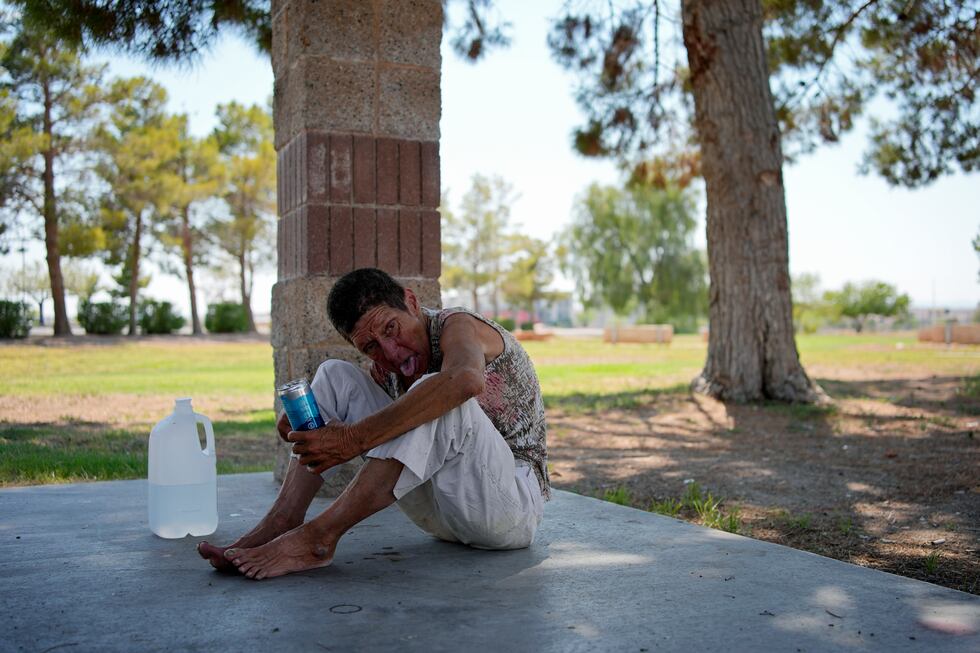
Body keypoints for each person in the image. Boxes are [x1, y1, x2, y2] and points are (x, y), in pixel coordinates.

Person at [198, 267, 550, 579]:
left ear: (411, 302)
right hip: (442, 516)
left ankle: (319, 538)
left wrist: (352, 439)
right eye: (371, 346)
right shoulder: (386, 369)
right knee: (334, 375)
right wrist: (306, 426)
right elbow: (317, 414)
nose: (392, 352)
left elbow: (465, 380)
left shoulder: (459, 326)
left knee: (438, 391)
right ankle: (284, 519)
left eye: (392, 329)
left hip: (508, 510)